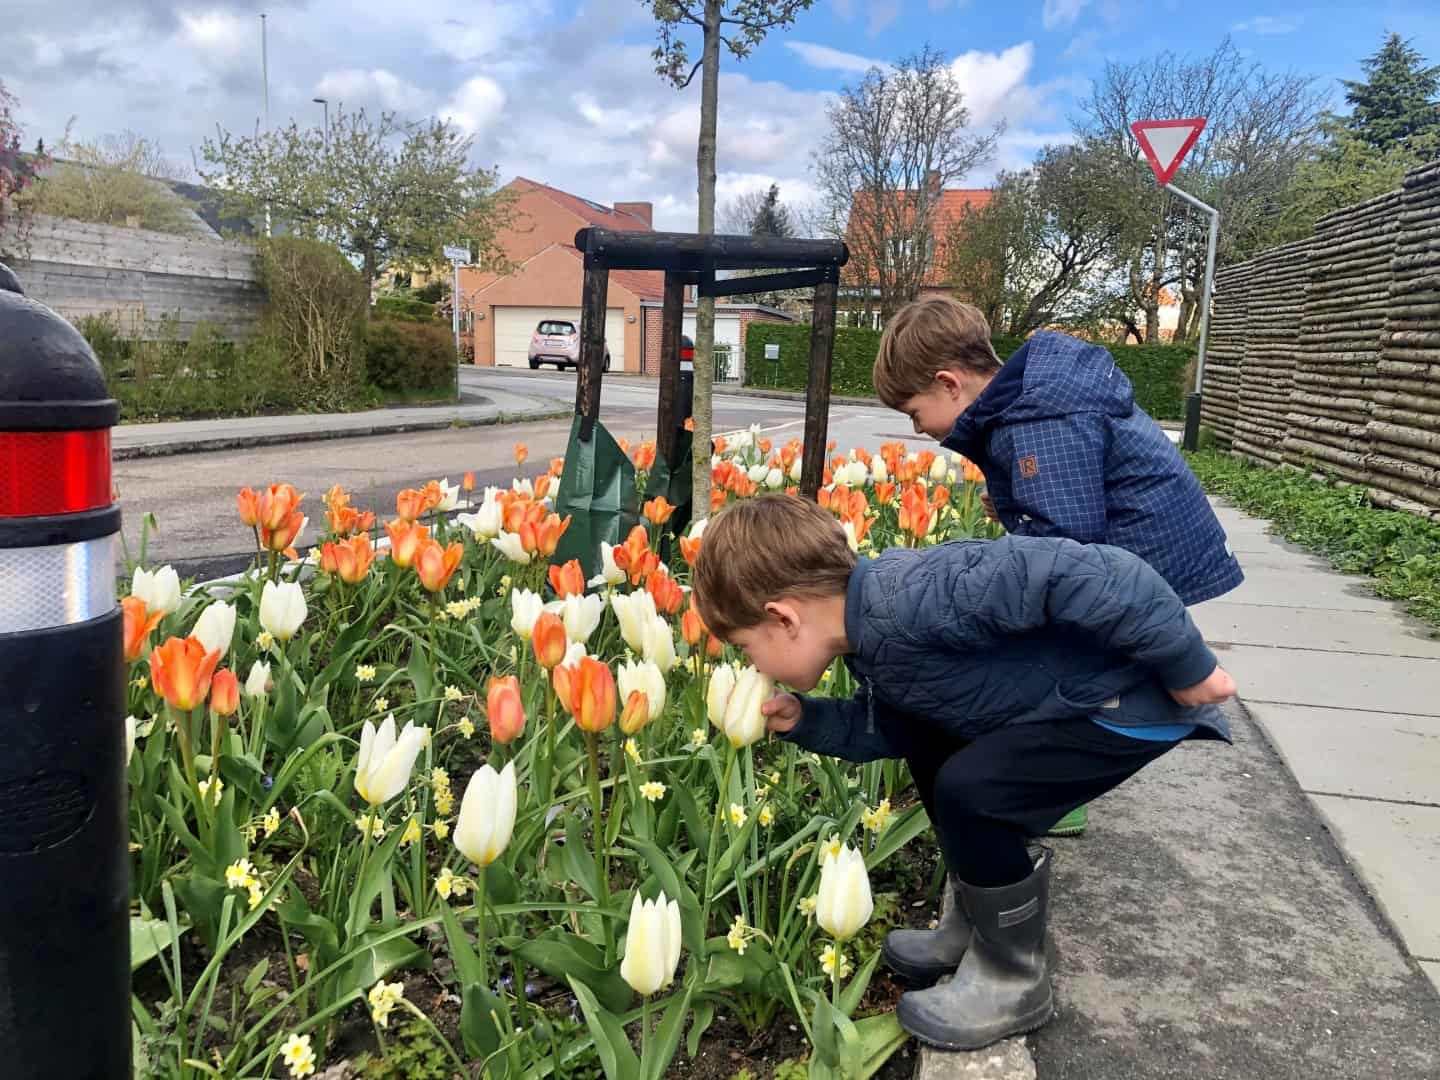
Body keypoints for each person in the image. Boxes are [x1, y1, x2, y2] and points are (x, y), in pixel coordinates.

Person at [691, 495, 1236, 1051]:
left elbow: (1101, 571)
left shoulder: (918, 597)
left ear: (784, 618)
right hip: (1061, 707)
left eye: (746, 647)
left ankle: (1012, 975)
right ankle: (976, 924)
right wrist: (805, 719)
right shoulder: (867, 634)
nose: (751, 665)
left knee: (973, 792)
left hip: (1116, 706)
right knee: (930, 749)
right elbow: (894, 728)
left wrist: (1189, 667)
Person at [873, 296, 1243, 838]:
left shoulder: (1040, 419)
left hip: (1138, 563)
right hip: (1135, 556)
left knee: (1032, 666)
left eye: (914, 413)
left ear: (949, 383)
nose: (920, 429)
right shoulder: (1028, 404)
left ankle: (1044, 789)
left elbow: (1066, 554)